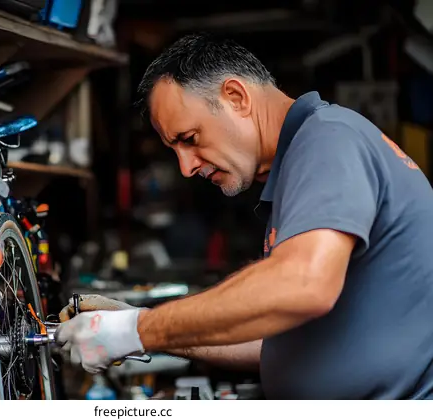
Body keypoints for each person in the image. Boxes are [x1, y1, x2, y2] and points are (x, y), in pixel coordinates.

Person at [54, 32, 433, 399]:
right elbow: (271, 338)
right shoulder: (301, 163)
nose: (185, 167)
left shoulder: (327, 141)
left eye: (189, 139)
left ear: (235, 97)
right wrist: (137, 319)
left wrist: (137, 330)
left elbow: (302, 286)